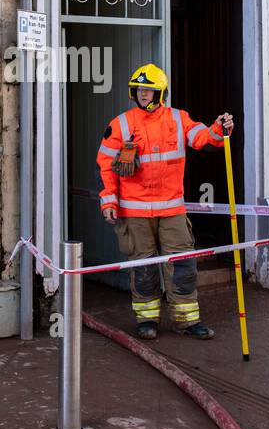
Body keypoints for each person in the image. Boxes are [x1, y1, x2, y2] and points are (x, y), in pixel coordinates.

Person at [97, 63, 235, 341]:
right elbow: (106, 165)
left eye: (149, 90)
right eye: (139, 90)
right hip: (135, 211)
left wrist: (219, 130)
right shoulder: (122, 123)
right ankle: (147, 320)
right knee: (143, 266)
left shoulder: (178, 118)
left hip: (171, 208)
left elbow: (202, 137)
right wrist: (109, 200)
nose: (143, 94)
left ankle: (186, 320)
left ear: (161, 92)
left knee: (182, 264)